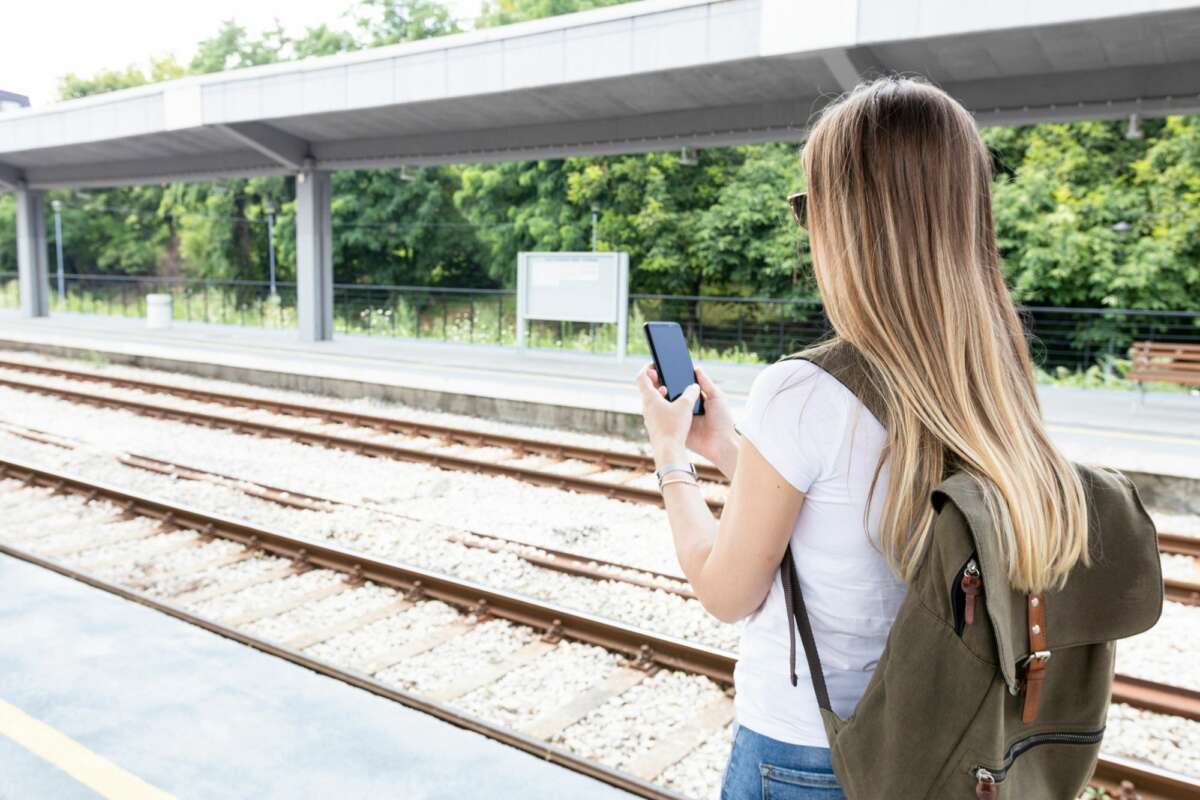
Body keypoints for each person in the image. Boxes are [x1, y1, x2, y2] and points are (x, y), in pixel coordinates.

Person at [634, 75, 1091, 800]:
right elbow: (858, 504)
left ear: (847, 223)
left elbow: (725, 590)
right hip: (943, 754)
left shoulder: (805, 389)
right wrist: (726, 447)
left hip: (813, 759)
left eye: (807, 207)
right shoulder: (992, 381)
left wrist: (669, 461)